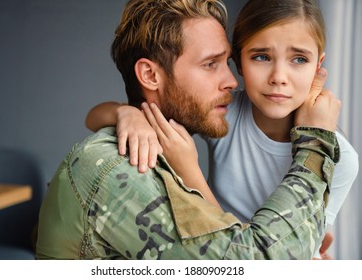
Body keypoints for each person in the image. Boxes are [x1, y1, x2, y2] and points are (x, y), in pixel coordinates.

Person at [36, 0, 341, 260]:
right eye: (210, 64)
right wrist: (315, 142)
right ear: (150, 75)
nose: (232, 82)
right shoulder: (126, 168)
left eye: (226, 63)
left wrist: (124, 111)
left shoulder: (157, 143)